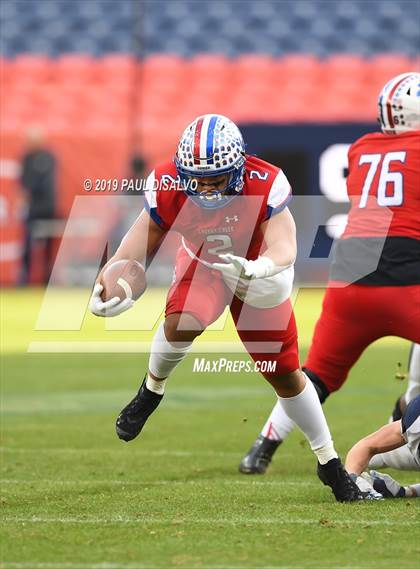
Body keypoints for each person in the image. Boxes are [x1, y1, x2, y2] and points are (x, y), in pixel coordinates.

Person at [89, 114, 362, 502]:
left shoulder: (264, 179)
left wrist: (258, 268)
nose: (204, 189)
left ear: (237, 168)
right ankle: (152, 389)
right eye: (195, 179)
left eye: (215, 179)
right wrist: (107, 285)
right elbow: (132, 251)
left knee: (284, 374)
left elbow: (285, 247)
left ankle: (328, 460)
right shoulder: (167, 183)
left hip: (258, 272)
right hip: (204, 264)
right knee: (182, 322)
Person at [239, 72, 420, 475]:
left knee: (315, 376)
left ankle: (262, 447)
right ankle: (406, 416)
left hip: (349, 279)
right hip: (405, 280)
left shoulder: (361, 149)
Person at [345, 395, 420, 499]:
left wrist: (409, 492)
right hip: (412, 451)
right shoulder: (415, 419)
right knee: (379, 458)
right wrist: (352, 478)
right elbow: (366, 446)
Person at [19, 125, 57, 285]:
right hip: (33, 209)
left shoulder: (47, 157)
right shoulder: (26, 158)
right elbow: (24, 182)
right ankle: (25, 278)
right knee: (27, 244)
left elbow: (38, 184)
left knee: (48, 245)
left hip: (46, 208)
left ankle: (46, 278)